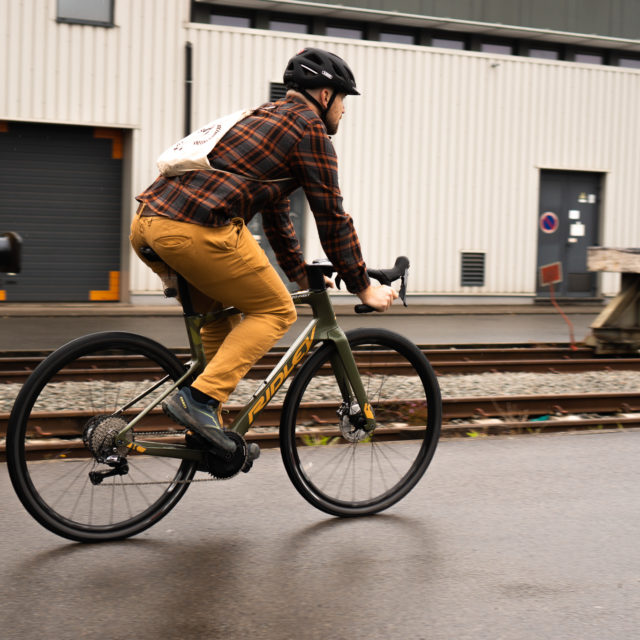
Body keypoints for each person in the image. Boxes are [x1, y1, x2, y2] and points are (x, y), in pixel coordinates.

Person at [130, 47, 397, 457]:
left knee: (221, 324)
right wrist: (363, 287)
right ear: (325, 95)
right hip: (196, 230)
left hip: (149, 222)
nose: (344, 111)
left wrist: (297, 269)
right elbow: (331, 216)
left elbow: (275, 210)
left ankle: (206, 434)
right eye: (344, 99)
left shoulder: (260, 116)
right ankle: (197, 402)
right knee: (276, 312)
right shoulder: (309, 129)